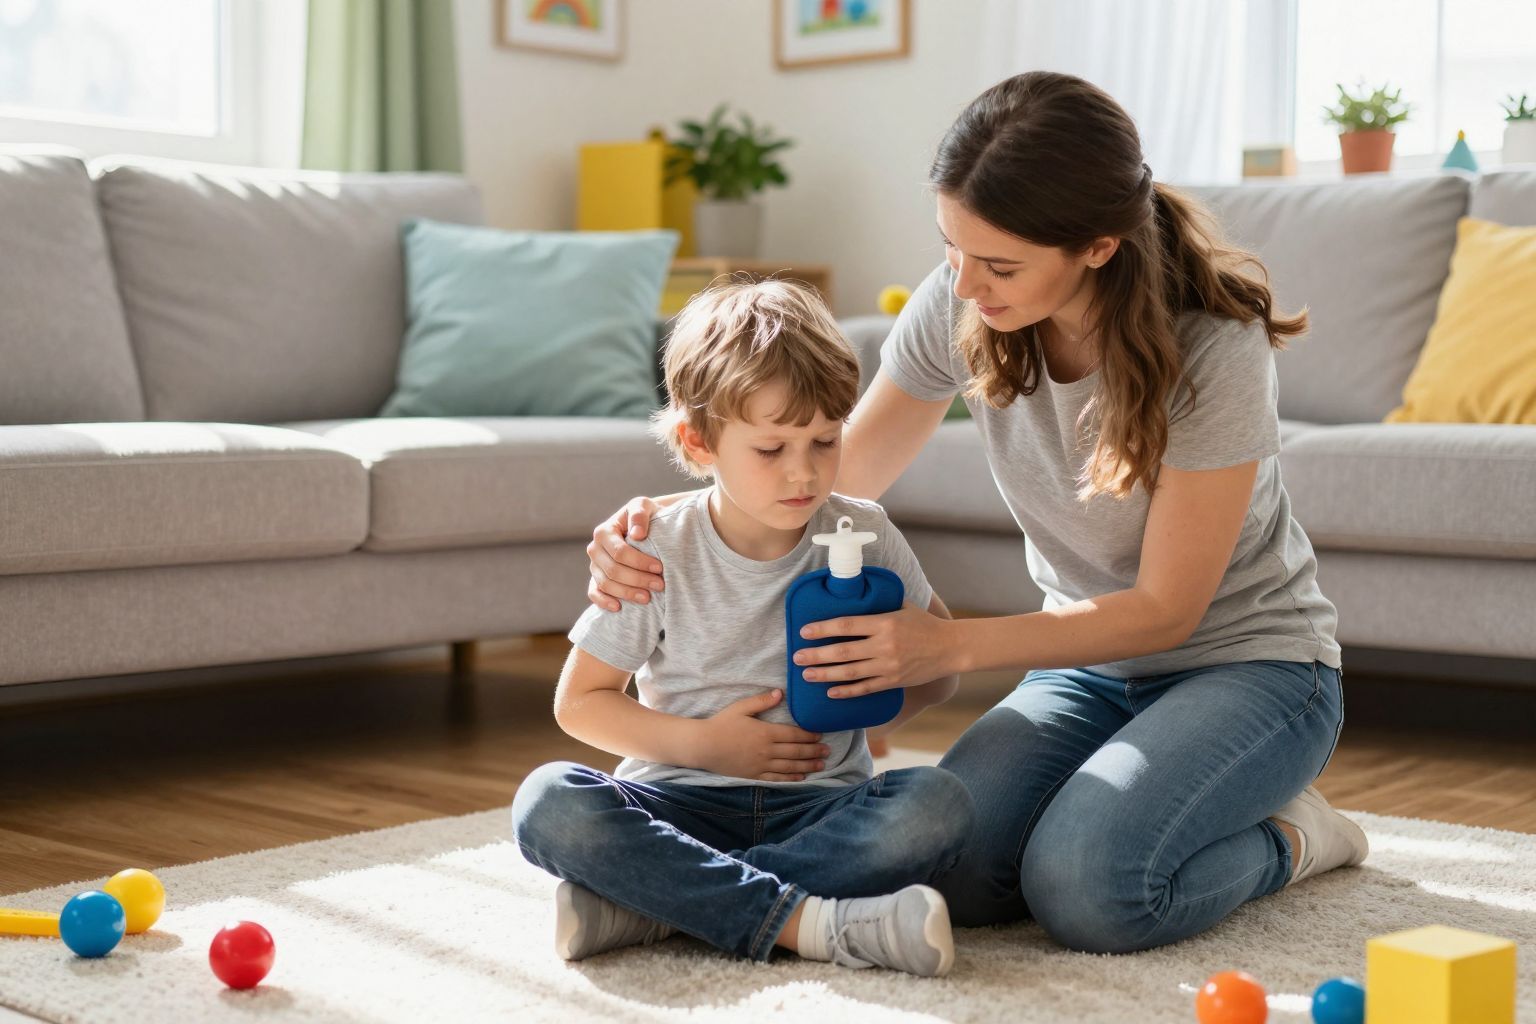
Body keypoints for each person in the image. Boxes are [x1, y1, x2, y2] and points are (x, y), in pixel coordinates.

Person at [581, 72, 1368, 956]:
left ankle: (1293, 837)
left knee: (1088, 887)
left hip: (1250, 664)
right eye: (951, 246)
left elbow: (1166, 612)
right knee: (949, 866)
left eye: (1000, 266)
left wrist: (946, 645)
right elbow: (839, 478)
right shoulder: (961, 300)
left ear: (1098, 247)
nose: (965, 282)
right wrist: (667, 526)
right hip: (1087, 671)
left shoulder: (1213, 346)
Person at [513, 279, 973, 976]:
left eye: (825, 440)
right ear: (699, 444)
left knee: (937, 803)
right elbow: (579, 703)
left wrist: (876, 700)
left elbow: (940, 672)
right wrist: (705, 746)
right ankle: (811, 923)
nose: (804, 472)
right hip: (675, 801)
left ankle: (658, 903)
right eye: (771, 449)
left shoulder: (867, 533)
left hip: (821, 808)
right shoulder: (655, 547)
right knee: (549, 802)